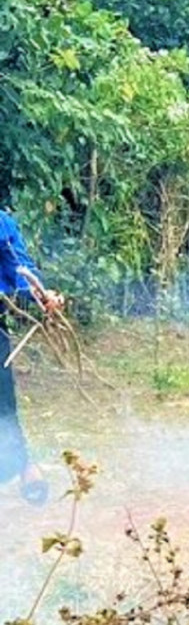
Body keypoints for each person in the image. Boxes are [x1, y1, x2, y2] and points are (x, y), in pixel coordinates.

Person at [0, 210, 64, 505]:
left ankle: (23, 464)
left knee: (3, 404)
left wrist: (42, 294)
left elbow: (20, 268)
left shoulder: (2, 223)